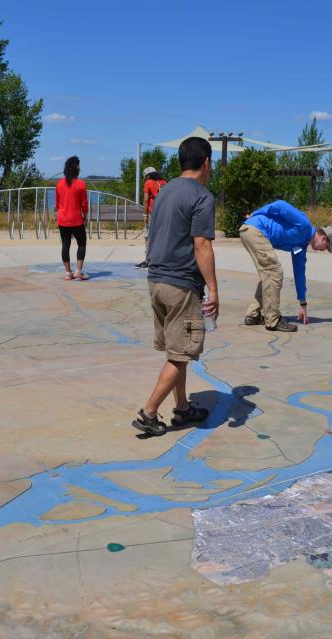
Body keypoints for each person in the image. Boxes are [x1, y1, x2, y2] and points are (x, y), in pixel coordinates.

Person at [132, 137, 218, 436]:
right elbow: (202, 244)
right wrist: (214, 290)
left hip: (156, 280)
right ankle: (149, 412)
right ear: (206, 162)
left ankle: (182, 409)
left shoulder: (165, 191)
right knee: (181, 352)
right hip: (181, 284)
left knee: (175, 352)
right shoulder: (202, 196)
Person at [239, 200, 332, 332]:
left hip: (251, 231)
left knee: (268, 275)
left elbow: (299, 273)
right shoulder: (304, 225)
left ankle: (253, 316)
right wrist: (256, 213)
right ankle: (273, 321)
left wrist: (303, 303)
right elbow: (280, 205)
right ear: (324, 239)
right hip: (256, 229)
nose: (323, 250)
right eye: (326, 247)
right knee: (274, 272)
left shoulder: (301, 247)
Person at [55, 156, 89, 279]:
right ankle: (78, 271)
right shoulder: (80, 184)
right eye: (79, 165)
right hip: (76, 219)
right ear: (75, 167)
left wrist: (57, 216)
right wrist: (85, 217)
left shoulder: (59, 184)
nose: (80, 167)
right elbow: (84, 203)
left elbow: (57, 203)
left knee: (65, 245)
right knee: (81, 244)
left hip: (62, 219)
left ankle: (68, 273)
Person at [135, 166, 166, 269]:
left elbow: (146, 200)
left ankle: (148, 260)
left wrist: (145, 214)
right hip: (164, 213)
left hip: (153, 213)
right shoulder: (164, 182)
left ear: (148, 175)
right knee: (162, 236)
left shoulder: (148, 183)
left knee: (148, 236)